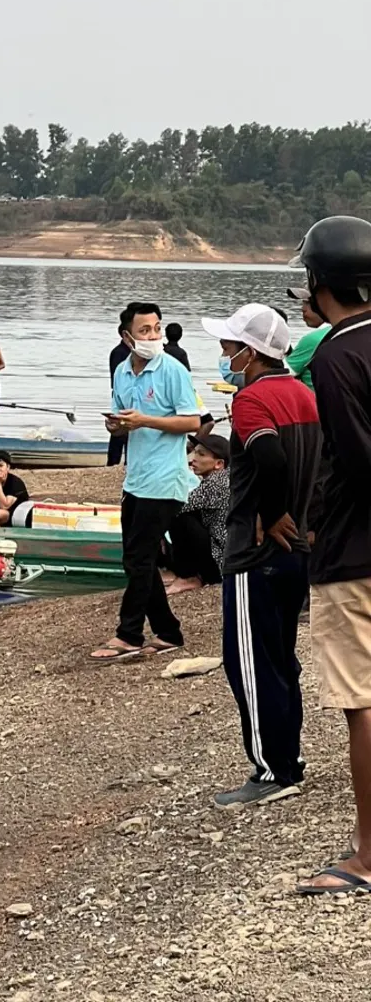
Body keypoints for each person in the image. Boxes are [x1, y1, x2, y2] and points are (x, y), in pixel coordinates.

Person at [198, 304, 321, 810]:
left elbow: (268, 456)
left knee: (248, 659)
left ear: (252, 353)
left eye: (230, 347)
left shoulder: (252, 400)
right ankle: (287, 757)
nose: (225, 354)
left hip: (256, 552)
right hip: (299, 549)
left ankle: (272, 769)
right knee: (280, 656)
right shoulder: (305, 396)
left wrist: (270, 513)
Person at [284, 217, 371, 895]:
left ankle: (367, 856)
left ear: (321, 283)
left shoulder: (337, 356)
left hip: (354, 551)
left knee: (361, 701)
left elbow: (359, 462)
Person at [90, 303, 203, 662]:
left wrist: (147, 421)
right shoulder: (123, 371)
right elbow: (123, 415)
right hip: (136, 477)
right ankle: (168, 632)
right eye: (145, 331)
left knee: (139, 558)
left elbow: (192, 422)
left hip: (166, 478)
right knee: (140, 557)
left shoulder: (172, 370)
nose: (153, 337)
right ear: (127, 337)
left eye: (156, 329)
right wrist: (116, 426)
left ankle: (129, 634)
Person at [161, 433, 229, 595]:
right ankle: (176, 570)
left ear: (219, 464)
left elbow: (177, 507)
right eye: (194, 452)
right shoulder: (225, 478)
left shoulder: (217, 483)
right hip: (222, 555)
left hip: (220, 564)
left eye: (201, 454)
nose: (192, 458)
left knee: (177, 515)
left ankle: (187, 576)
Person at [285, 285, 331, 390]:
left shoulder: (314, 339)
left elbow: (275, 376)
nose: (303, 309)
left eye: (308, 303)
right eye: (303, 303)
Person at [107, 318, 133, 466]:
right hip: (121, 395)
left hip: (130, 396)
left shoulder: (131, 353)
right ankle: (113, 463)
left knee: (130, 432)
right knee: (118, 431)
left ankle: (128, 461)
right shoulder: (119, 353)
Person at [0, 448, 29, 526]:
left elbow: (5, 506)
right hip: (0, 517)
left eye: (1, 466)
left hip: (19, 518)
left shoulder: (15, 482)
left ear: (8, 467)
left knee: (2, 513)